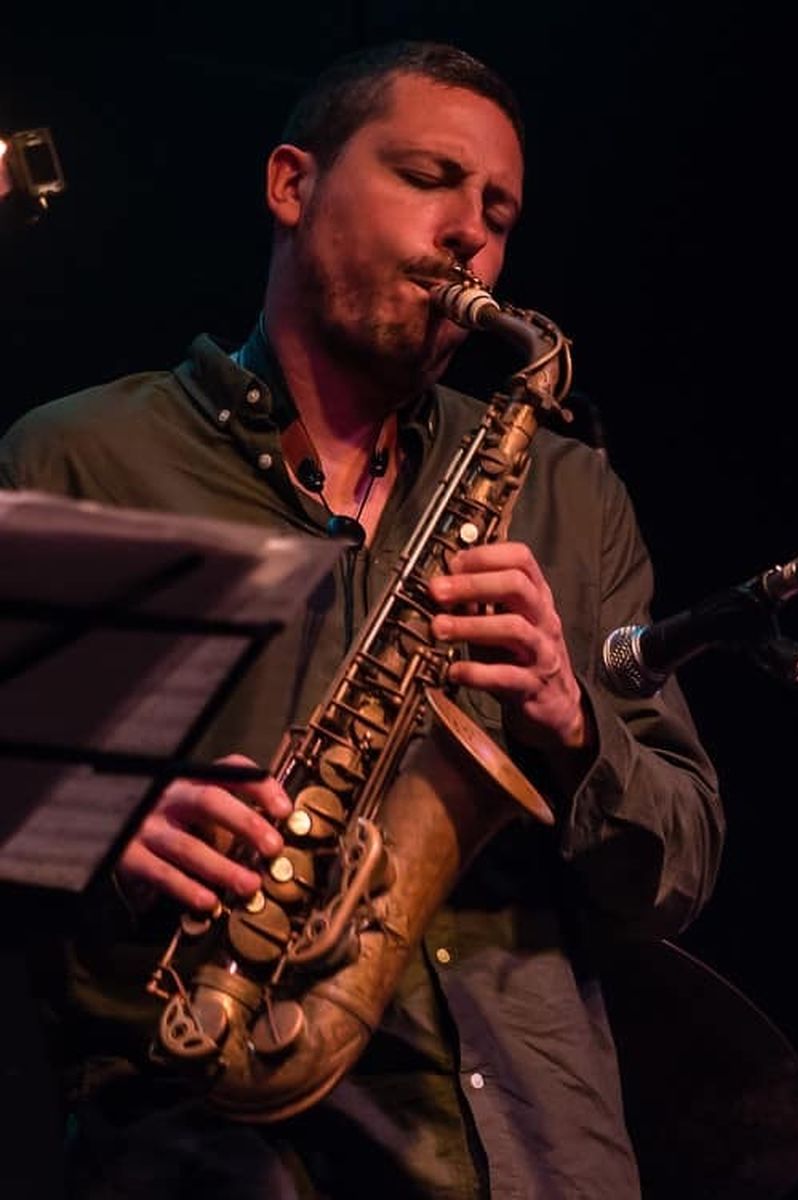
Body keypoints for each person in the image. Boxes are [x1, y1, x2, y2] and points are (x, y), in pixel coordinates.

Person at [0, 41, 723, 1198]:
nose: (469, 231)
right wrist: (86, 821)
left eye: (498, 212)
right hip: (209, 1149)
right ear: (292, 184)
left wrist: (569, 721)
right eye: (429, 178)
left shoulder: (568, 495)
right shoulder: (83, 462)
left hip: (537, 1156)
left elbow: (680, 866)